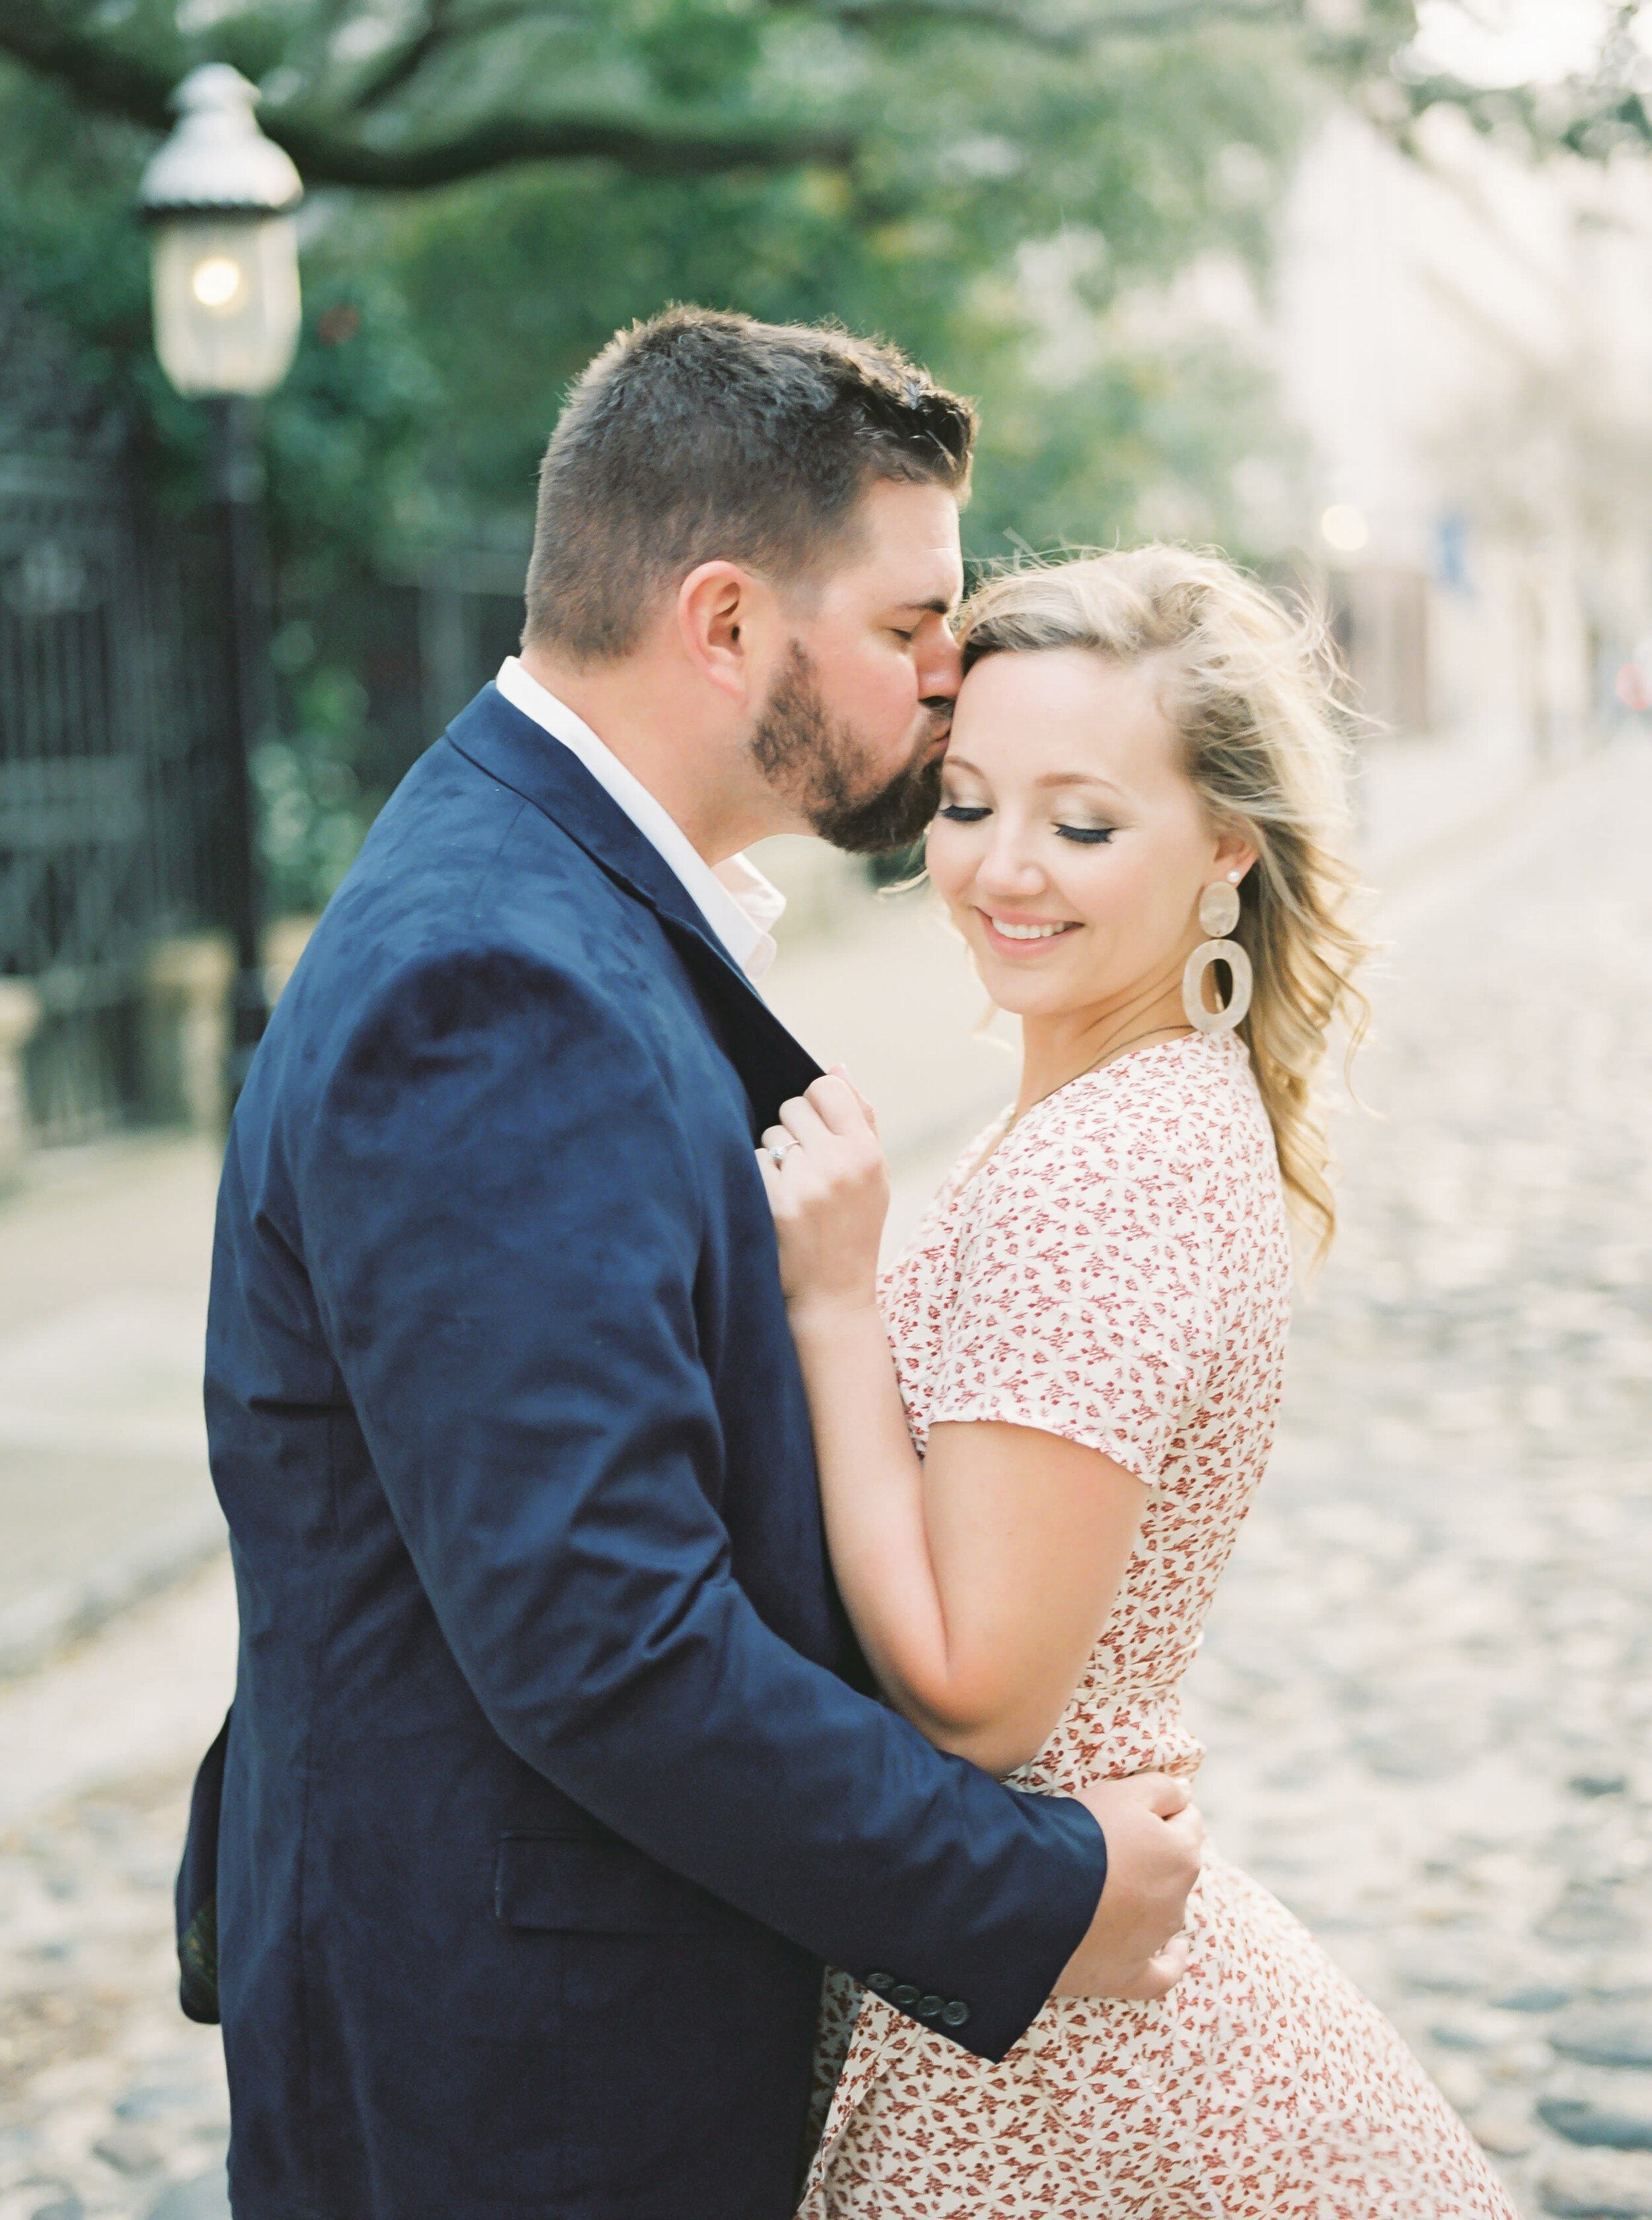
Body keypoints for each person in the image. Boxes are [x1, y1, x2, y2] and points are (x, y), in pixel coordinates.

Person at [190, 310, 1207, 2220]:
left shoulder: (562, 898)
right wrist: (1038, 1894)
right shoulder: (492, 979)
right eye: (913, 622)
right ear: (727, 623)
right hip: (516, 2076)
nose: (950, 672)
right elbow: (602, 1636)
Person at [761, 547, 1520, 2217]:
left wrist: (826, 1301)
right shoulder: (1146, 1110)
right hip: (1040, 1957)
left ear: (1225, 848)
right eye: (964, 804)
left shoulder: (1110, 1169)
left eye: (1082, 824)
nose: (1000, 872)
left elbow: (975, 1692)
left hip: (1050, 2044)